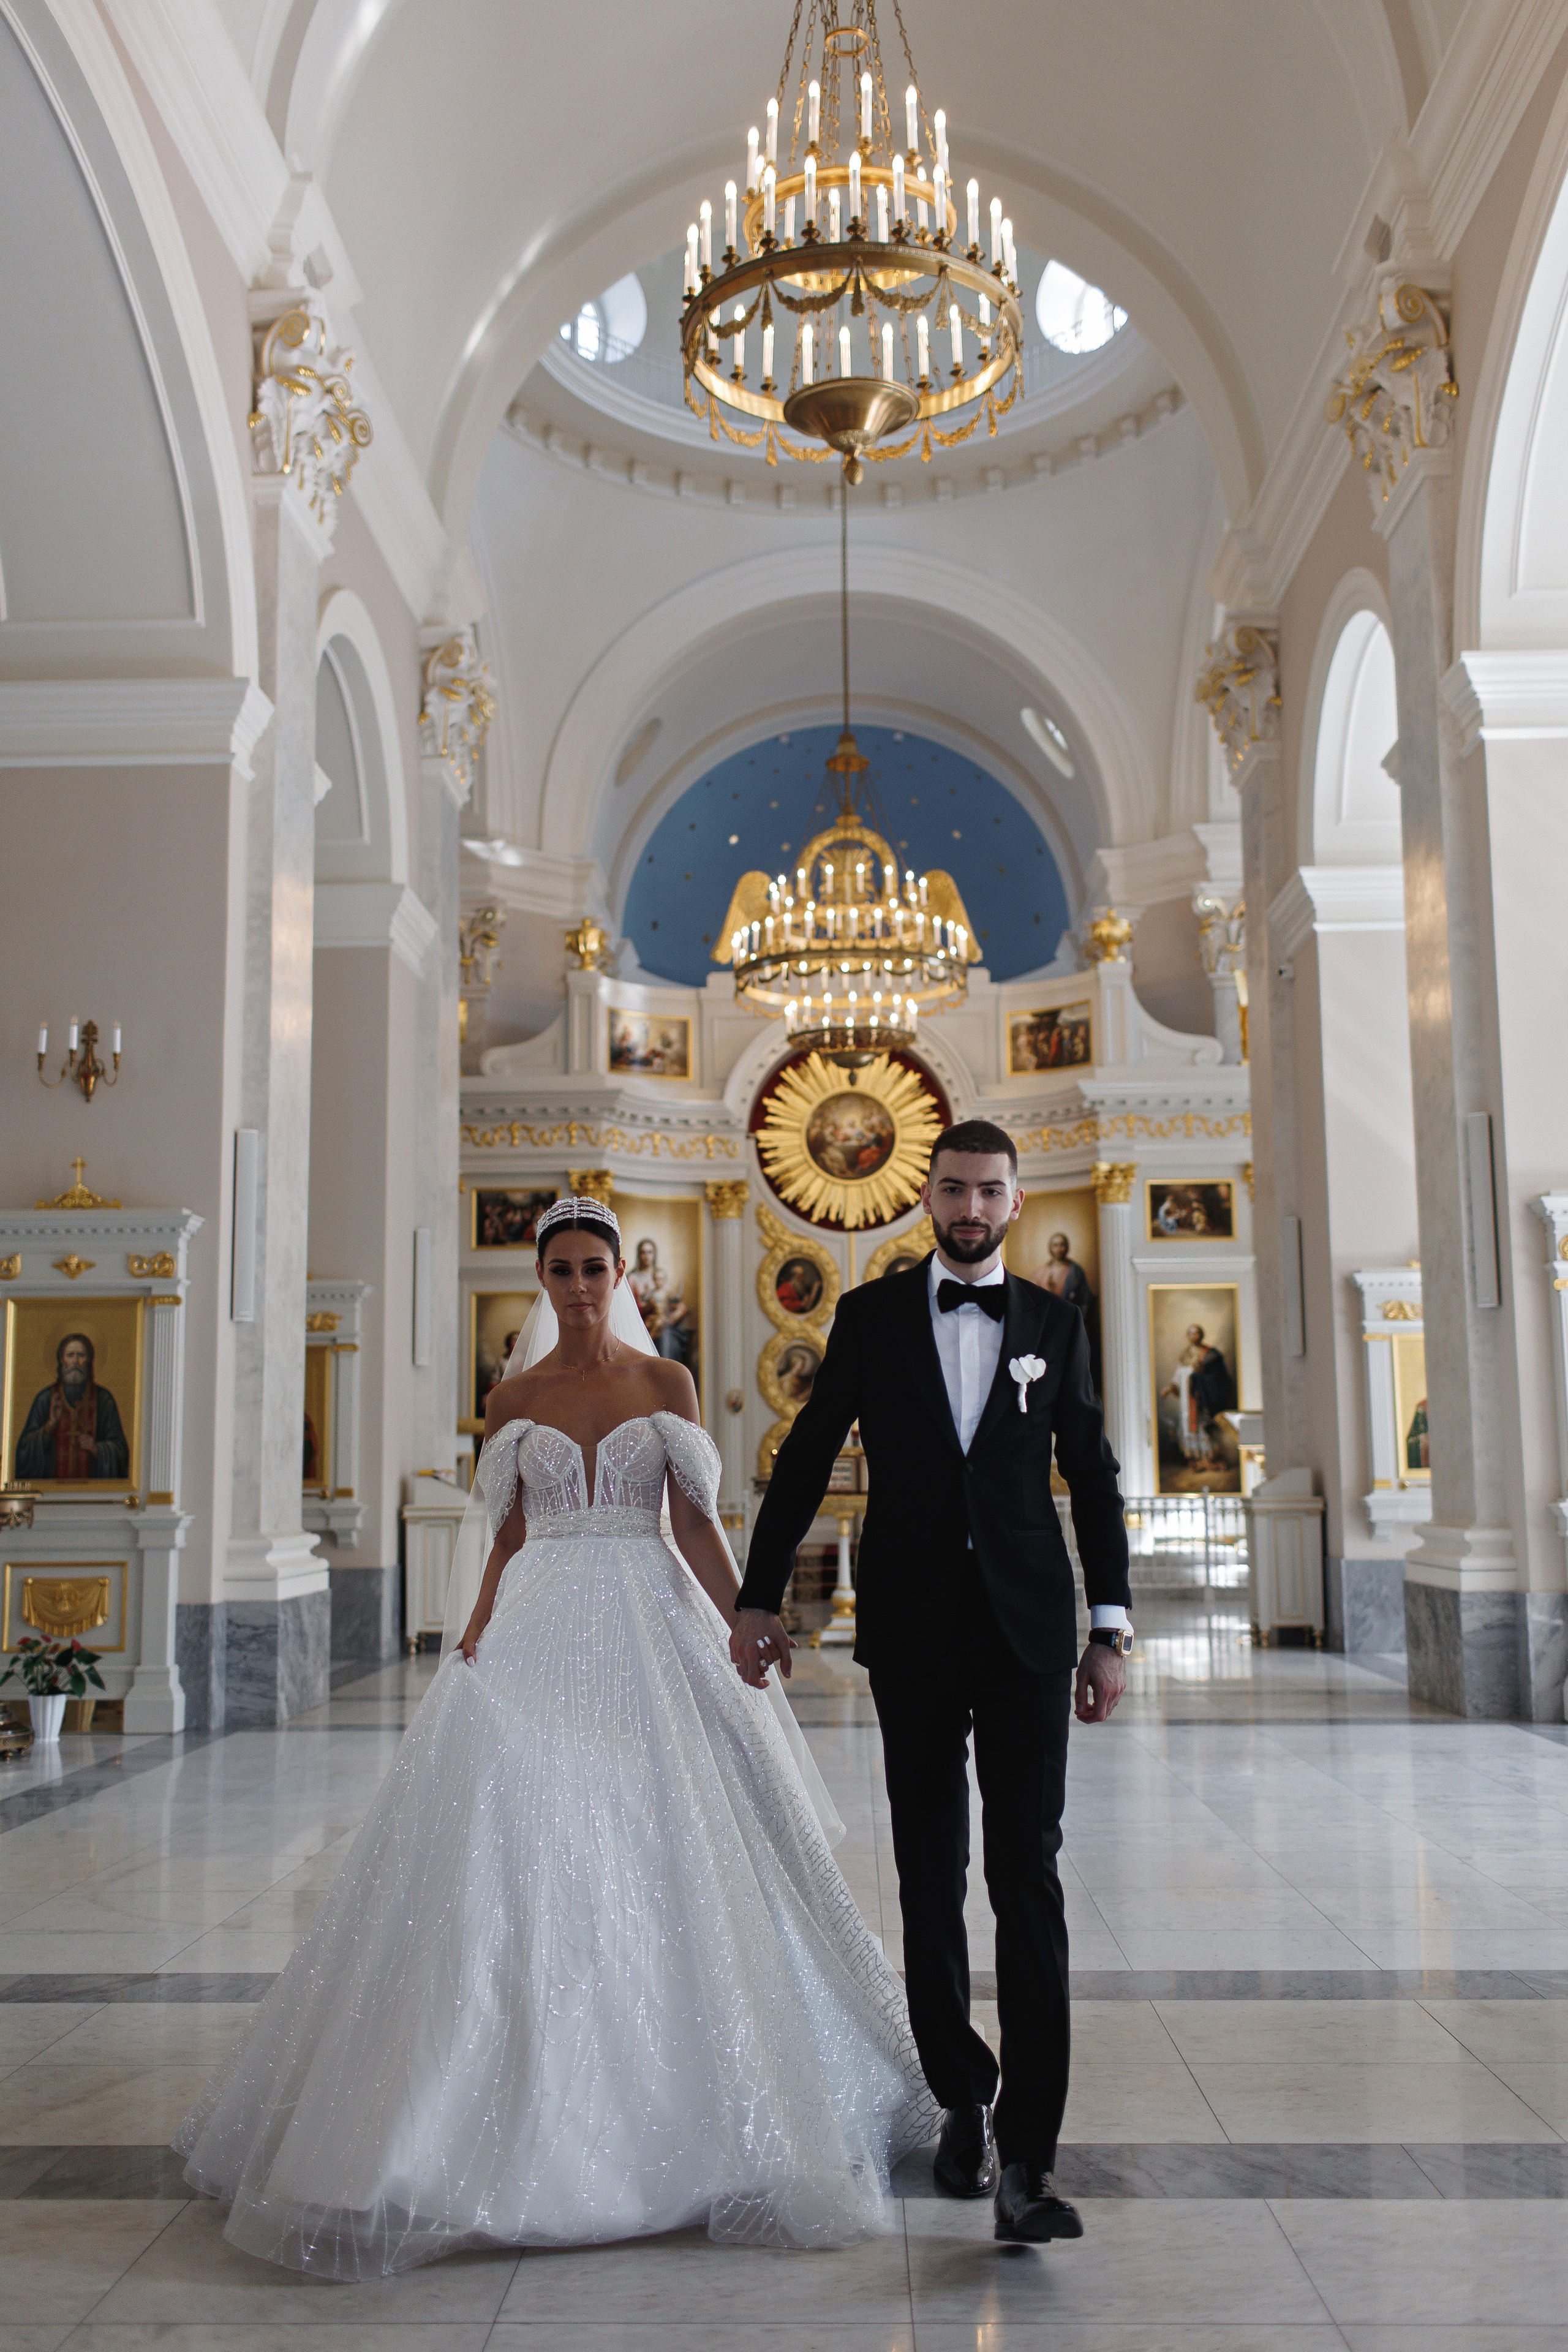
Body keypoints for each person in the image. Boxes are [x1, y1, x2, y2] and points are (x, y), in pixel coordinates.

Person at [176, 1197, 935, 2275]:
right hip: (541, 1620)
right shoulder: (515, 1397)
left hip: (648, 1619)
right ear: (542, 1278)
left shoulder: (663, 1382)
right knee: (516, 1822)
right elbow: (514, 1528)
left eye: (595, 1268)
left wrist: (745, 1623)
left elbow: (690, 1525)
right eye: (563, 1270)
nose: (579, 1286)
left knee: (674, 1824)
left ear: (622, 1273)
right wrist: (476, 1623)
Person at [736, 1119, 1133, 2247]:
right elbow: (808, 1455)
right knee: (928, 1874)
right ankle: (962, 2094)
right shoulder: (868, 1318)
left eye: (989, 1192)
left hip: (1026, 1634)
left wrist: (1109, 1629)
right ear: (929, 1199)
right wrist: (760, 1597)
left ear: (1015, 1203)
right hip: (910, 1630)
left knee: (1029, 1881)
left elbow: (1092, 1477)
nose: (969, 1208)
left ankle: (1032, 2161)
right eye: (953, 1189)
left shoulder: (1057, 1322)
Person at [14, 1333, 129, 1482]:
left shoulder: (103, 1400)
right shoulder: (46, 1399)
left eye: (81, 1355)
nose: (75, 1362)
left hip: (94, 1493)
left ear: (89, 1360)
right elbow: (24, 1451)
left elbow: (120, 1450)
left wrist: (96, 1448)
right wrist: (50, 1425)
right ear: (62, 1360)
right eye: (70, 1355)